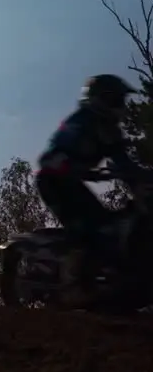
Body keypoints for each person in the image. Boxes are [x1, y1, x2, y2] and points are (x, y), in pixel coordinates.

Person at [36, 73, 144, 300]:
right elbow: (54, 154)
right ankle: (72, 282)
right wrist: (70, 166)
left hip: (73, 182)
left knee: (110, 224)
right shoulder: (78, 123)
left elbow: (124, 162)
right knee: (83, 230)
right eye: (115, 99)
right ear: (99, 99)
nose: (120, 106)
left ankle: (112, 278)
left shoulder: (112, 131)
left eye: (121, 100)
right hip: (53, 180)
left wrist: (142, 178)